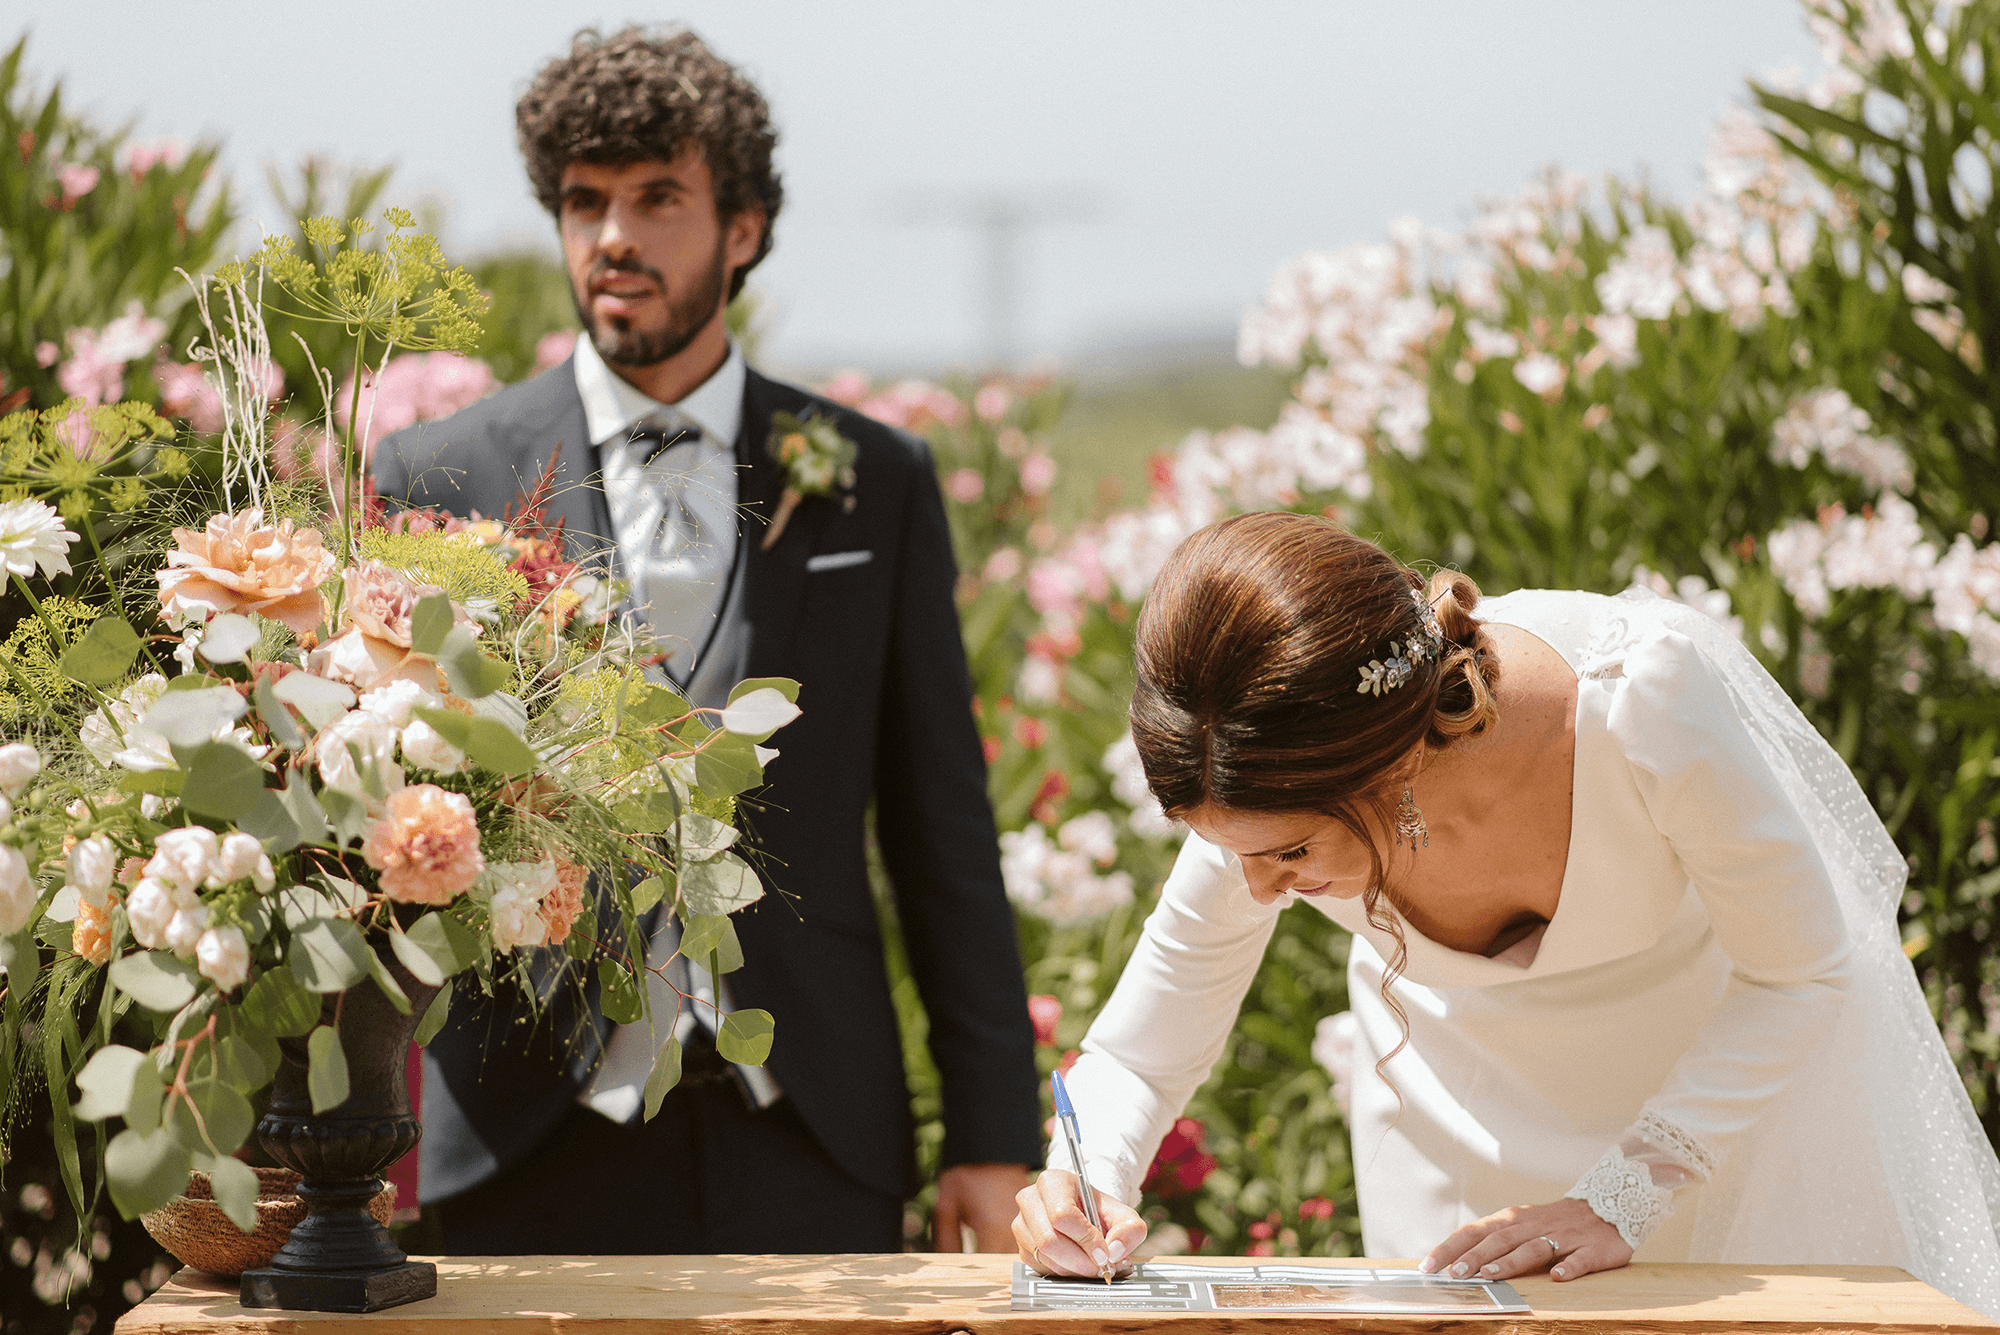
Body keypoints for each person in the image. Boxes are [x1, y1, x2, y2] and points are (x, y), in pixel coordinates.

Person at [372, 26, 1040, 1255]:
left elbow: (939, 822)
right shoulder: (439, 475)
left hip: (810, 1123)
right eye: (584, 202)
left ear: (741, 228)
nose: (612, 236)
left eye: (656, 198)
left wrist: (993, 1136)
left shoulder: (870, 481)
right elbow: (368, 825)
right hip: (525, 1126)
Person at [1010, 511, 2000, 1317]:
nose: (1258, 885)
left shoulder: (1638, 701)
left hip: (1713, 1128)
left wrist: (1621, 1195)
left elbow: (1801, 970)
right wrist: (1082, 1180)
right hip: (1457, 1142)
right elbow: (1142, 1052)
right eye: (1238, 855)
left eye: (1289, 856)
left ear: (1390, 763)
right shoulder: (1267, 780)